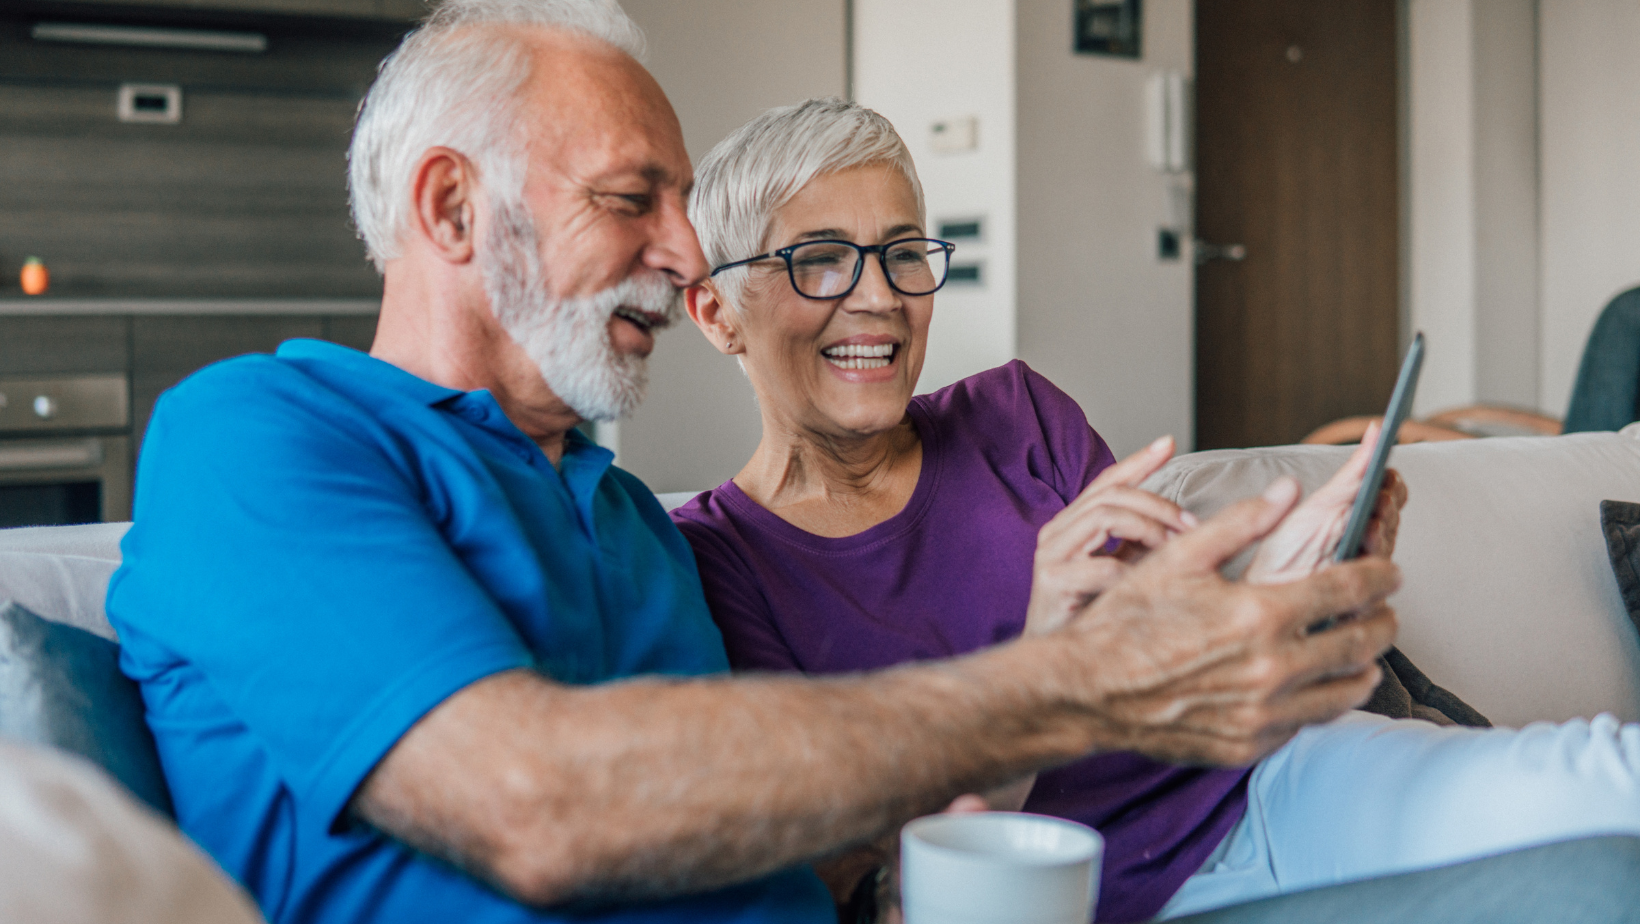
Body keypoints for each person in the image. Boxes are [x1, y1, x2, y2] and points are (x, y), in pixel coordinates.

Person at [99, 3, 1635, 923]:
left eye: (689, 206)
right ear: (449, 211)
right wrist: (1077, 678)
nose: (686, 254)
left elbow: (839, 861)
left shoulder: (623, 522)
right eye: (639, 198)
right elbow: (532, 806)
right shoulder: (263, 435)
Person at [670, 96, 1640, 922]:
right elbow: (872, 880)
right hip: (1083, 896)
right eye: (821, 260)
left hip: (1273, 784)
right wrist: (1047, 659)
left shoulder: (1013, 416)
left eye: (899, 254)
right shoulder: (710, 562)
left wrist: (1280, 590)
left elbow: (1186, 651)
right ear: (716, 313)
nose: (876, 298)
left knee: (1594, 788)